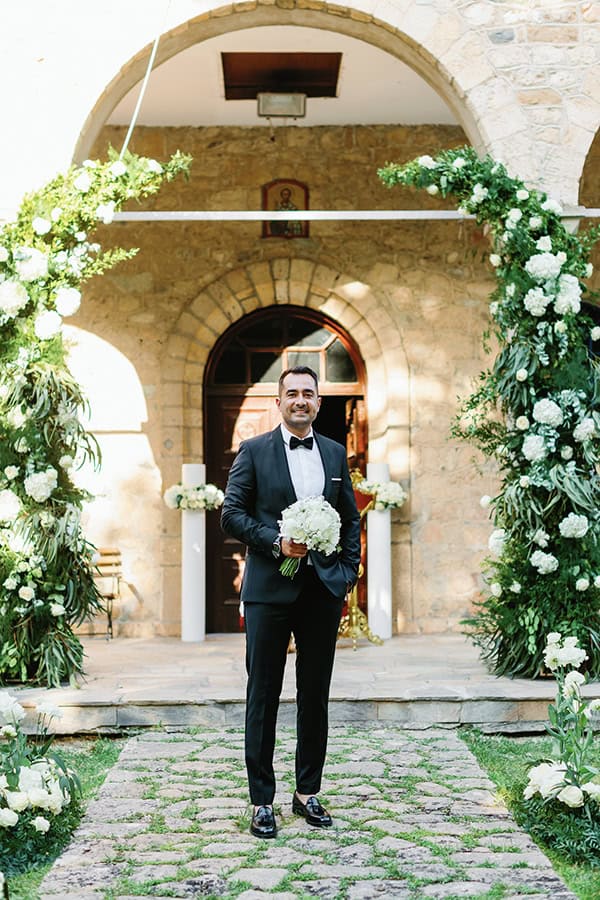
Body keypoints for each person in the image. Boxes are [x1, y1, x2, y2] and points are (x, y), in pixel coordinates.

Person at [221, 365, 361, 839]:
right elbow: (231, 515)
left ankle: (307, 793)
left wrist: (346, 574)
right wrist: (276, 542)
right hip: (268, 592)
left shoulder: (335, 453)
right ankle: (262, 799)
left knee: (314, 694)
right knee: (263, 693)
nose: (301, 400)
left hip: (321, 591)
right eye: (292, 394)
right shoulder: (254, 451)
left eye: (309, 394)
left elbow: (349, 520)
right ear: (279, 402)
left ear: (318, 403)